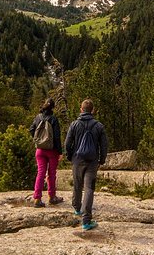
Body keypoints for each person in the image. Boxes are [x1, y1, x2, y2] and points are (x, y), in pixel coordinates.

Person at [64, 98, 108, 230]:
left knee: (77, 185)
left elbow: (67, 143)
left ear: (81, 109)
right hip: (92, 161)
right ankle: (86, 220)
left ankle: (77, 209)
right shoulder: (99, 126)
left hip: (77, 159)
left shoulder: (74, 124)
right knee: (89, 188)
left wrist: (70, 156)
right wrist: (102, 160)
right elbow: (104, 145)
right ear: (93, 110)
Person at [29, 98, 64, 207]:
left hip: (40, 150)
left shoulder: (37, 117)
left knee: (40, 173)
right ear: (53, 107)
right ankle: (52, 197)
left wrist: (38, 141)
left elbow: (31, 129)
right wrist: (60, 152)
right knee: (51, 174)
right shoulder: (53, 119)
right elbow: (57, 137)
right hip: (52, 150)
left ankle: (37, 198)